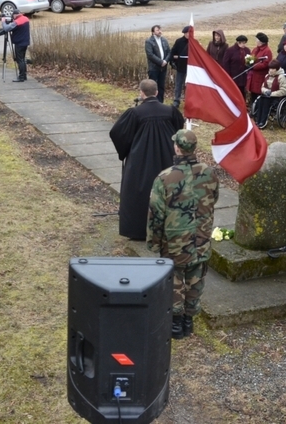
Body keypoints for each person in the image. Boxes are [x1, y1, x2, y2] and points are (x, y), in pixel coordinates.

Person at [147, 130, 218, 339]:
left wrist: (154, 242)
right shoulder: (210, 172)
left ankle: (176, 324)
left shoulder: (164, 177)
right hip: (201, 238)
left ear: (177, 148)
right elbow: (214, 198)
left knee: (175, 281)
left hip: (174, 240)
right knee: (197, 279)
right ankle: (189, 320)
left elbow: (155, 214)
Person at [109, 79, 185, 241]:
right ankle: (167, 228)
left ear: (141, 93)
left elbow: (117, 132)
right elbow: (179, 129)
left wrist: (127, 149)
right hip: (166, 157)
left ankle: (139, 230)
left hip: (141, 160)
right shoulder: (170, 110)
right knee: (168, 190)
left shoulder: (135, 113)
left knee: (140, 191)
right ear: (157, 92)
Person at [0, 12, 30, 82]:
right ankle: (24, 75)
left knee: (19, 60)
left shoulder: (17, 22)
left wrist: (3, 21)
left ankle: (21, 77)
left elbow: (6, 28)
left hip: (19, 43)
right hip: (25, 42)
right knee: (23, 59)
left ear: (15, 15)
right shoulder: (25, 18)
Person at [253, 62, 286, 130]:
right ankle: (258, 120)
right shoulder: (267, 76)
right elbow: (262, 87)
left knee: (266, 101)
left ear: (277, 69)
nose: (270, 70)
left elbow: (283, 91)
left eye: (273, 69)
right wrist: (265, 91)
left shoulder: (281, 77)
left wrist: (271, 94)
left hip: (276, 98)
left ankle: (263, 122)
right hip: (266, 95)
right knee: (260, 100)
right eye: (270, 68)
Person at [144, 25, 170, 103]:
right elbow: (150, 55)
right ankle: (152, 103)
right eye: (157, 30)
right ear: (153, 32)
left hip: (163, 68)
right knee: (152, 87)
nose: (159, 31)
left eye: (160, 30)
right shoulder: (149, 41)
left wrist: (165, 61)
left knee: (161, 86)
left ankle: (160, 103)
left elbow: (169, 52)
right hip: (154, 68)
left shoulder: (164, 40)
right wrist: (160, 62)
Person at [221, 35, 250, 101]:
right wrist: (228, 75)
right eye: (242, 43)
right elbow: (225, 63)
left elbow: (249, 61)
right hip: (233, 76)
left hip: (243, 76)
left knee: (242, 92)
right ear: (238, 42)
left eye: (244, 43)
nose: (243, 44)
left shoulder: (247, 50)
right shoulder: (230, 50)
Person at [246, 33, 273, 103]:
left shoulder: (267, 51)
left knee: (258, 94)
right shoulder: (255, 49)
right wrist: (248, 62)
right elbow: (251, 57)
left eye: (257, 40)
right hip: (253, 75)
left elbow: (265, 64)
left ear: (261, 42)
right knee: (252, 93)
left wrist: (254, 66)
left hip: (260, 76)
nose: (256, 41)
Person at [170, 26, 191, 108]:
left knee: (189, 85)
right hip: (181, 66)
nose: (188, 34)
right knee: (179, 84)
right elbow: (173, 53)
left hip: (191, 68)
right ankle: (176, 100)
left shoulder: (194, 42)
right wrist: (176, 58)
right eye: (187, 33)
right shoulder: (179, 41)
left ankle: (189, 101)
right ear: (185, 33)